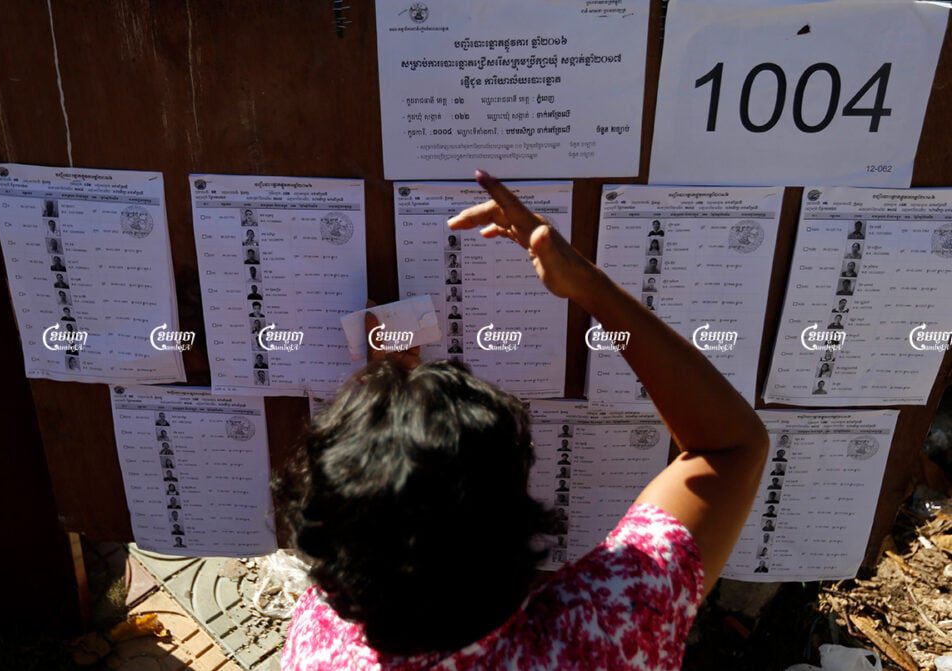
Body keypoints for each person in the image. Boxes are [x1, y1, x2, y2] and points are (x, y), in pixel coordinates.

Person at [278, 170, 769, 669]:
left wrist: (393, 418)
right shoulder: (607, 631)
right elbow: (730, 447)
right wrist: (588, 286)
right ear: (516, 531)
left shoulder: (316, 643)